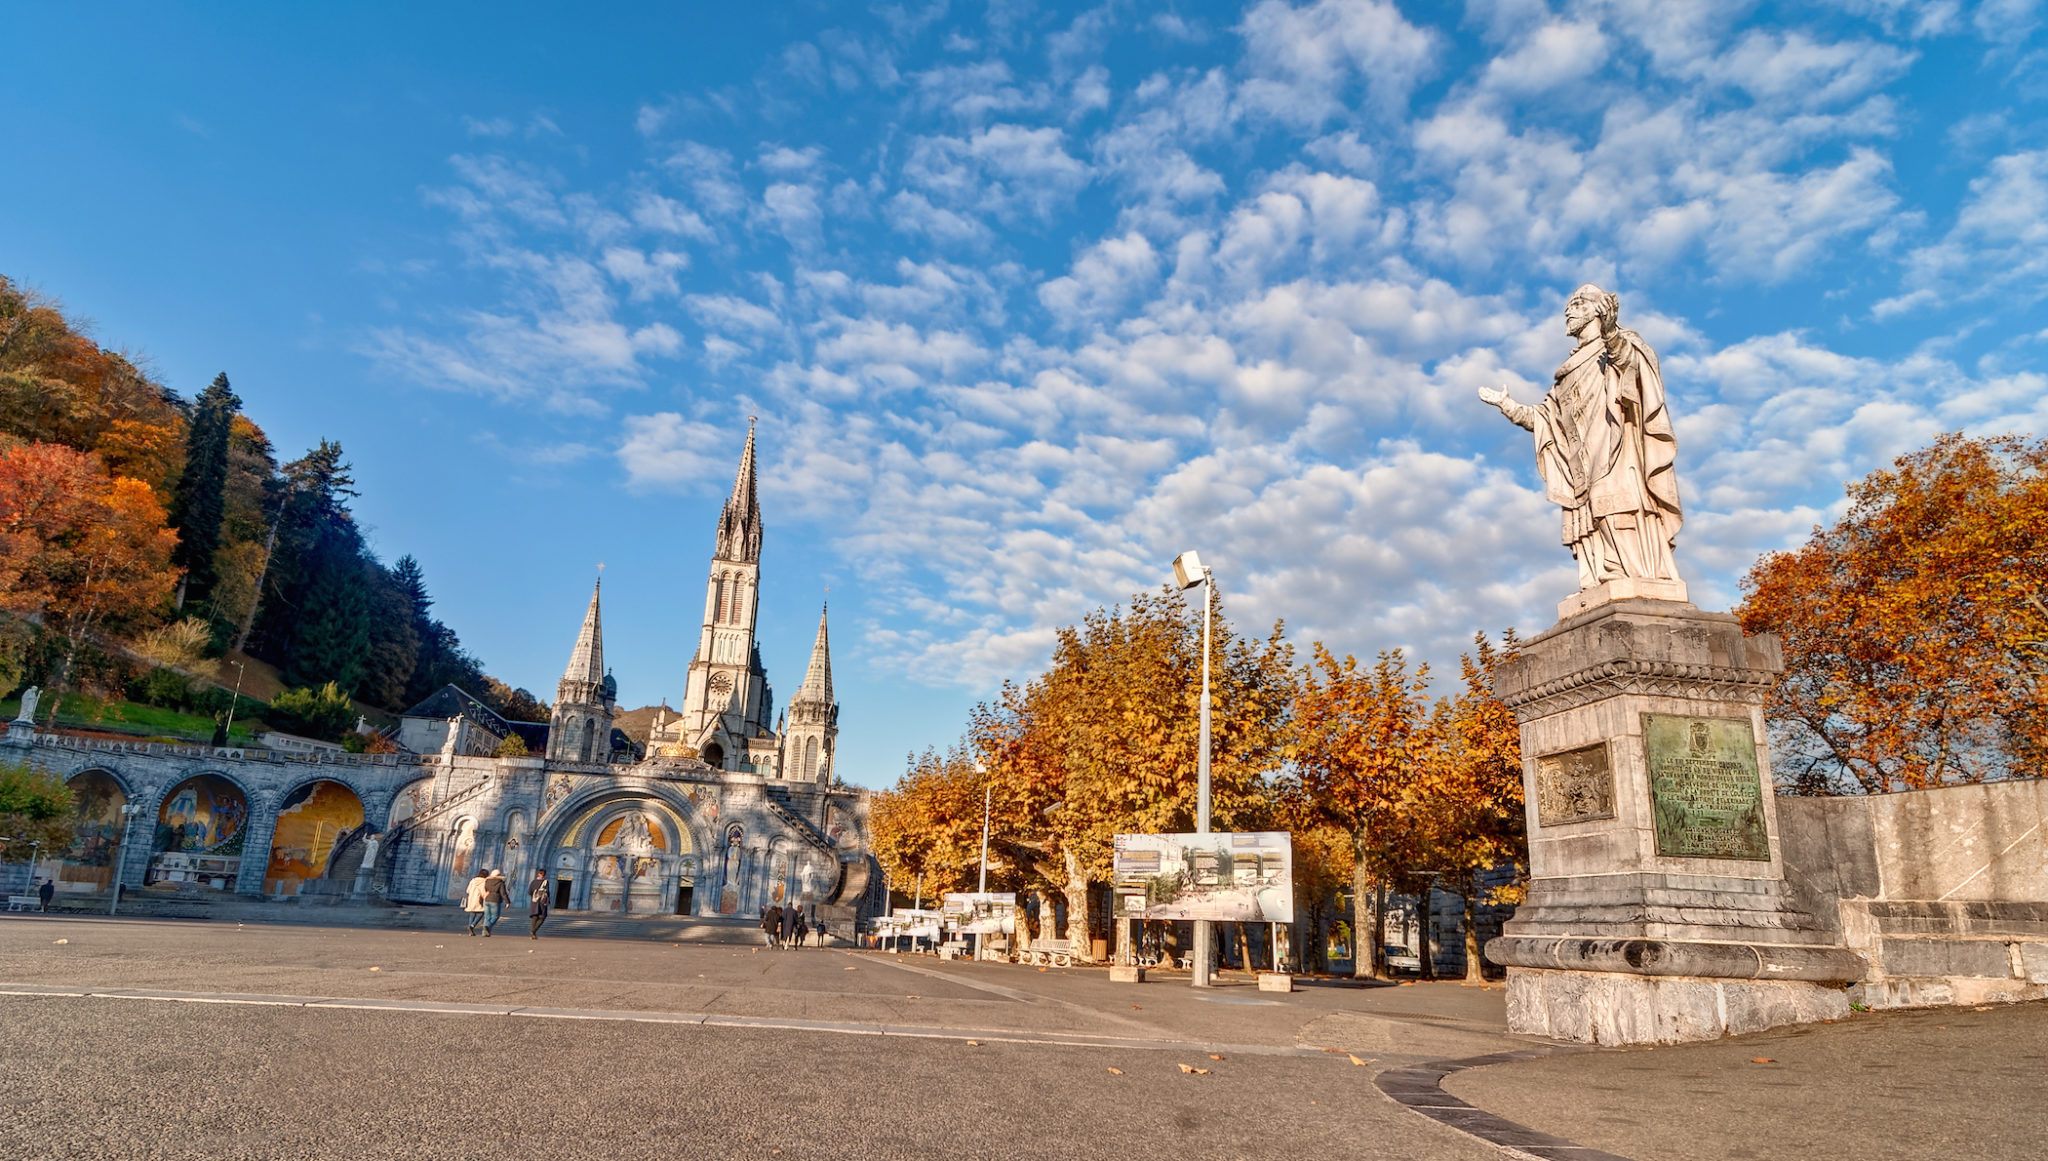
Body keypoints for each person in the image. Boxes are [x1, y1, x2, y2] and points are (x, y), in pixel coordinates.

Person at [1478, 284, 1682, 589]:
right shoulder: (1567, 372)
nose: (1568, 311)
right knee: (1591, 516)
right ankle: (1604, 578)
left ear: (1597, 310)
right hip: (1581, 463)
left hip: (1617, 448)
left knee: (1615, 506)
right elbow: (1545, 419)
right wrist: (1507, 405)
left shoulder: (1621, 344)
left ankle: (1635, 575)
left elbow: (1630, 367)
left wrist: (1611, 332)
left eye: (1576, 304)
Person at [479, 868, 511, 937]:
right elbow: (503, 893)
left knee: (487, 917)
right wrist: (507, 902)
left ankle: (484, 933)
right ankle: (488, 926)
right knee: (495, 916)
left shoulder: (487, 881)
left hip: (486, 899)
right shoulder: (500, 882)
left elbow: (483, 890)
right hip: (495, 900)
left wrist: (481, 899)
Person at [462, 869, 489, 935]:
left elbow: (468, 890)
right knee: (481, 913)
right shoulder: (484, 881)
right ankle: (472, 925)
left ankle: (470, 928)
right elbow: (484, 891)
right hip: (479, 899)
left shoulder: (473, 881)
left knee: (472, 913)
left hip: (471, 898)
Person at [527, 869, 550, 939]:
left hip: (534, 901)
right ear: (544, 874)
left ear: (538, 874)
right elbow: (547, 892)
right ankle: (533, 931)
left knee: (535, 917)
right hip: (542, 902)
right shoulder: (545, 882)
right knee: (542, 917)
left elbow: (529, 892)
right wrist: (548, 901)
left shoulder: (533, 882)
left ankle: (533, 932)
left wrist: (534, 896)